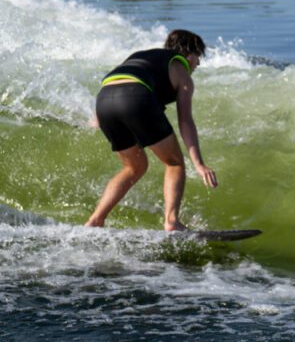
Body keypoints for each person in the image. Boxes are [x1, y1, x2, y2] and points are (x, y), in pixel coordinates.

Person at [87, 29, 217, 230]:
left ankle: (95, 220)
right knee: (174, 163)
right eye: (198, 58)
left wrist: (101, 118)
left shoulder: (141, 56)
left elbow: (121, 82)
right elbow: (186, 121)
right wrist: (199, 164)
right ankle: (171, 221)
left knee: (134, 167)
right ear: (189, 55)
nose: (197, 64)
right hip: (135, 96)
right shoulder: (180, 68)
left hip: (104, 99)